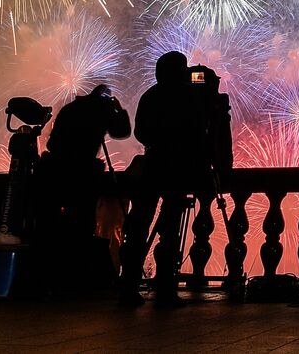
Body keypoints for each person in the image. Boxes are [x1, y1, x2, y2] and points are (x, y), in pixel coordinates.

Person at [118, 52, 207, 307]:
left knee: (138, 227)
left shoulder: (150, 95)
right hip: (178, 169)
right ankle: (165, 289)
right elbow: (199, 132)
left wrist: (159, 143)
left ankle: (129, 286)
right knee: (170, 232)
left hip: (153, 166)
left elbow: (141, 132)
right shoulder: (189, 96)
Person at [38, 84, 131, 291]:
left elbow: (52, 144)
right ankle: (78, 277)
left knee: (52, 224)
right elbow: (122, 132)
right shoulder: (102, 109)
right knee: (82, 222)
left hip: (55, 173)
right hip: (82, 175)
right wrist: (119, 110)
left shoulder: (70, 108)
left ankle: (51, 276)